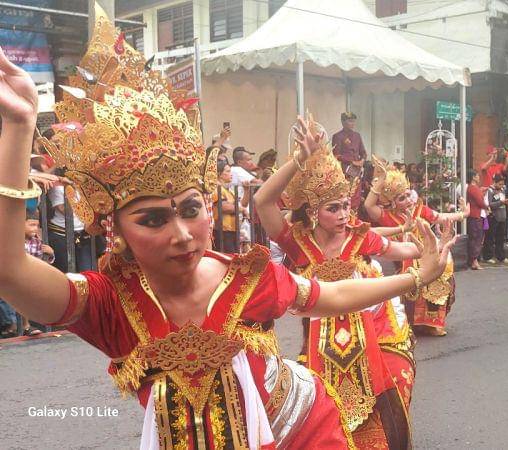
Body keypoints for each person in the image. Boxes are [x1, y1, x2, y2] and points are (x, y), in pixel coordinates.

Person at [0, 16, 454, 449]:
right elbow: (10, 271)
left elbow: (329, 296)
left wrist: (417, 276)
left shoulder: (247, 277)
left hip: (302, 429)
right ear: (111, 228)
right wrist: (20, 128)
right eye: (153, 219)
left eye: (191, 209)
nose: (182, 234)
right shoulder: (110, 305)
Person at [255, 119, 422, 447]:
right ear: (314, 213)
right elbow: (263, 202)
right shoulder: (299, 244)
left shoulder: (359, 238)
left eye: (346, 205)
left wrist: (423, 248)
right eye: (334, 208)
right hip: (319, 358)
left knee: (391, 406)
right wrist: (299, 161)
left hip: (371, 348)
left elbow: (404, 249)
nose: (345, 213)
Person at [364, 157, 468, 336]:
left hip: (426, 254)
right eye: (402, 198)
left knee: (444, 272)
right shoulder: (387, 216)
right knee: (414, 277)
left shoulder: (420, 210)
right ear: (392, 202)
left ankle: (433, 322)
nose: (408, 201)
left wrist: (462, 214)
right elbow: (368, 205)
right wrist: (379, 183)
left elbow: (440, 217)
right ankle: (415, 322)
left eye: (408, 195)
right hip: (405, 259)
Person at [213, 162, 244, 253]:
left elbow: (239, 204)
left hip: (232, 229)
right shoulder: (216, 188)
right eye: (228, 171)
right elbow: (224, 207)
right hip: (223, 230)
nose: (231, 174)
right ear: (220, 174)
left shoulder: (227, 189)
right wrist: (241, 209)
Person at [331, 112, 366, 180]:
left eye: (353, 121)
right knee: (348, 189)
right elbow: (336, 155)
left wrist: (362, 161)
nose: (352, 123)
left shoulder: (357, 135)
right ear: (343, 122)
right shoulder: (338, 136)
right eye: (350, 121)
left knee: (357, 189)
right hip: (345, 169)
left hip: (357, 170)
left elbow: (363, 152)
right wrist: (352, 162)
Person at [485, 174, 508, 263]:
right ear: (494, 182)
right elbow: (490, 204)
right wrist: (500, 202)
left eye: (502, 184)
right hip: (494, 217)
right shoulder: (490, 191)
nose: (501, 186)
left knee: (500, 238)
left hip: (502, 217)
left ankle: (501, 256)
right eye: (499, 184)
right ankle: (488, 256)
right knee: (490, 237)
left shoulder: (503, 190)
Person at [465, 171, 487, 270]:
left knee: (475, 237)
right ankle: (474, 260)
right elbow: (480, 202)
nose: (479, 178)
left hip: (475, 214)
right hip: (475, 215)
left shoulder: (472, 188)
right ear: (474, 177)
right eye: (477, 176)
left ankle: (473, 259)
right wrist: (487, 207)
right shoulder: (473, 188)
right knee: (476, 237)